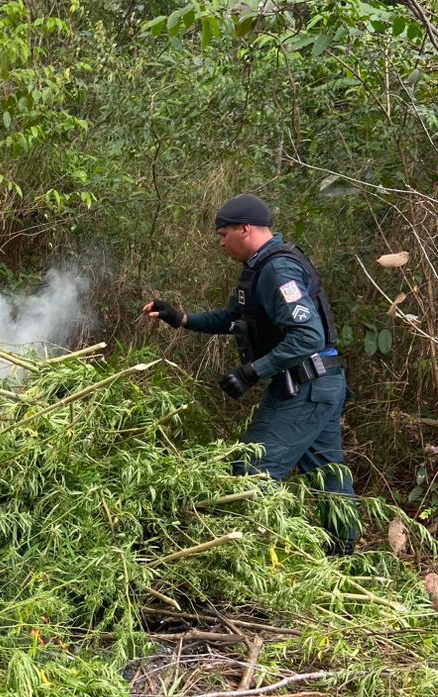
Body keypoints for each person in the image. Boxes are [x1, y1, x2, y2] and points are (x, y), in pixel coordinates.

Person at [142, 193, 358, 553]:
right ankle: (343, 558)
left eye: (223, 234)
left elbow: (308, 336)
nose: (221, 243)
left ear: (244, 229)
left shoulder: (278, 269)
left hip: (306, 385)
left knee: (252, 470)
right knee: (328, 478)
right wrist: (180, 318)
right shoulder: (259, 269)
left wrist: (252, 372)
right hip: (319, 384)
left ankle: (253, 556)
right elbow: (233, 320)